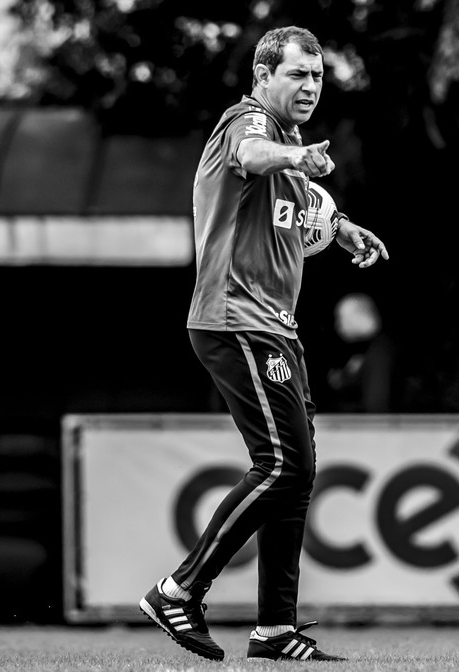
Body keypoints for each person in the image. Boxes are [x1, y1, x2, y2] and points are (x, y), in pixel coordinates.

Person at [138, 26, 388, 662]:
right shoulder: (246, 122)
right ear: (262, 77)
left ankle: (275, 628)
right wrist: (293, 160)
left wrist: (344, 230)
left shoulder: (293, 143)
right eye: (297, 74)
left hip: (274, 325)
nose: (310, 86)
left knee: (295, 477)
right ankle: (179, 590)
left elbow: (303, 213)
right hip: (233, 320)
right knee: (285, 466)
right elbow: (250, 158)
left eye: (317, 76)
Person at [327, 292, 396, 412]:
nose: (338, 326)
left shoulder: (379, 352)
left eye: (341, 318)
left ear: (360, 317)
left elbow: (376, 405)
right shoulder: (369, 349)